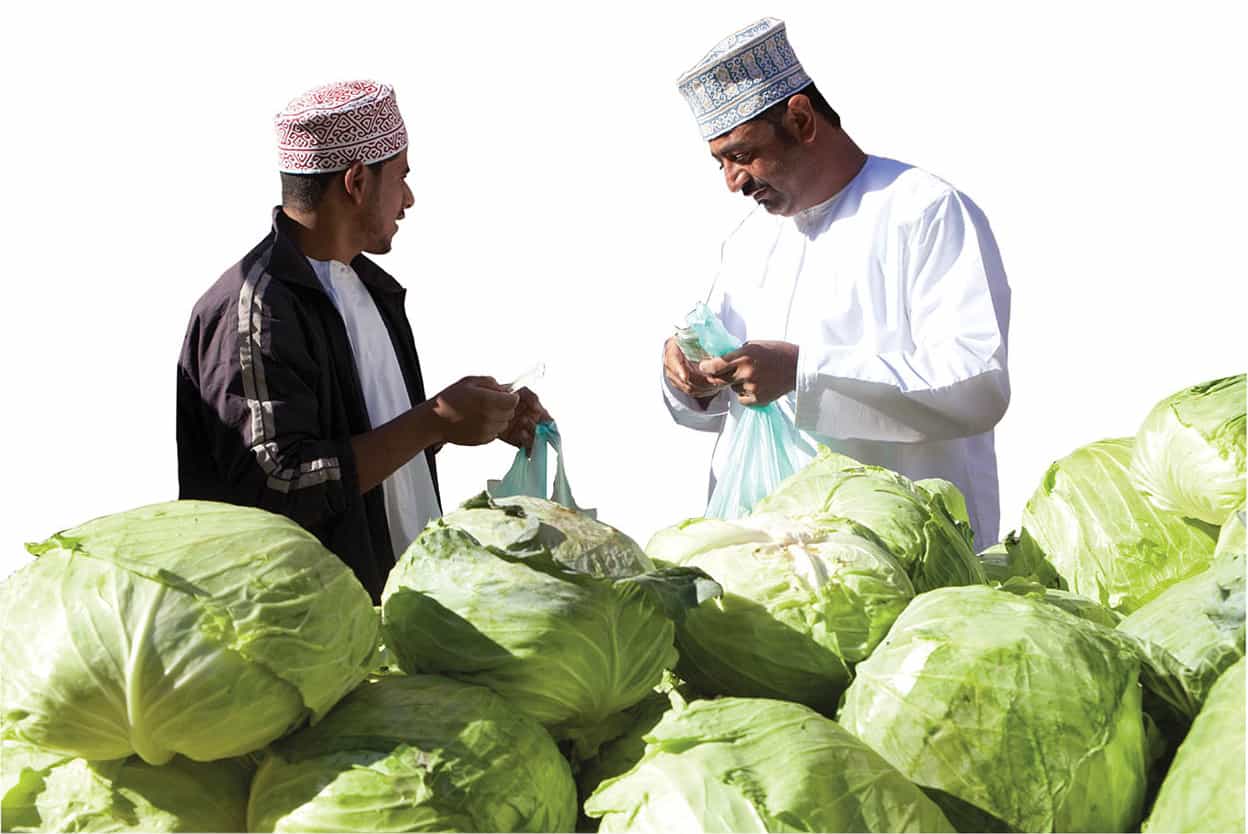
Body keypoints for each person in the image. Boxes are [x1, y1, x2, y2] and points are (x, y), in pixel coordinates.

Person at [178, 80, 547, 601]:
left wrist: (474, 417)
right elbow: (277, 485)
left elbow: (361, 439)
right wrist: (431, 421)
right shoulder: (256, 309)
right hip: (296, 638)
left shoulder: (368, 288)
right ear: (355, 182)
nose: (410, 199)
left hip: (383, 614)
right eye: (401, 177)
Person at [662, 19, 1011, 549]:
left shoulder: (923, 211)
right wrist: (691, 378)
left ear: (801, 119)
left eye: (740, 154)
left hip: (904, 561)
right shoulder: (749, 244)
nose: (733, 181)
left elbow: (977, 385)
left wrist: (805, 375)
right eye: (720, 163)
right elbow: (724, 406)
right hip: (771, 568)